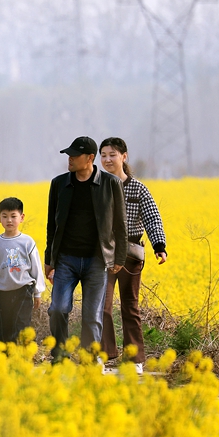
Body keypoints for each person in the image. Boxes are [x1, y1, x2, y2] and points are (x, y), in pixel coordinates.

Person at [45, 136, 127, 366]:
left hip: (96, 260)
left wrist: (118, 256)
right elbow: (52, 224)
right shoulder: (59, 183)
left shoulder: (111, 184)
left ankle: (90, 359)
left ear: (90, 158)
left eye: (74, 155)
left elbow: (120, 223)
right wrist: (49, 259)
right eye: (68, 155)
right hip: (65, 260)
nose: (69, 159)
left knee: (92, 316)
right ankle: (60, 356)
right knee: (58, 309)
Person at [99, 137, 167, 375]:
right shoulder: (96, 186)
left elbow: (152, 217)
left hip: (130, 253)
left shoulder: (138, 188)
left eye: (112, 155)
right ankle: (103, 355)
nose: (107, 159)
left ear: (124, 157)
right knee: (102, 305)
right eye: (103, 155)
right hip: (104, 254)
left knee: (130, 306)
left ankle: (135, 358)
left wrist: (159, 245)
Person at [0, 197, 46, 343]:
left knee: (22, 328)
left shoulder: (27, 242)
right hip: (2, 293)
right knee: (3, 330)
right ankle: (4, 360)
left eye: (13, 216)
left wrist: (38, 293)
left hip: (24, 290)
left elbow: (36, 268)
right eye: (5, 216)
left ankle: (21, 359)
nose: (9, 220)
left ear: (21, 218)